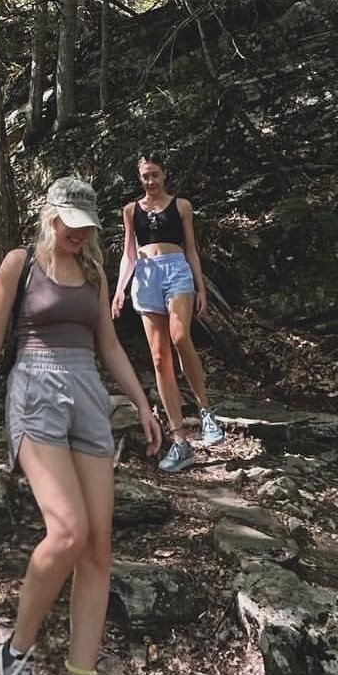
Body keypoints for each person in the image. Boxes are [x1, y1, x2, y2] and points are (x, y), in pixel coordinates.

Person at [0, 177, 162, 675]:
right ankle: (17, 654)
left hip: (88, 398)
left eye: (87, 224)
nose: (79, 233)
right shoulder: (20, 263)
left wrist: (145, 403)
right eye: (70, 221)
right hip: (35, 392)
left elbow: (109, 348)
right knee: (68, 530)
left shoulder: (97, 274)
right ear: (50, 215)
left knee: (99, 549)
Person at [111, 154, 224, 473]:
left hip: (176, 271)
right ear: (140, 177)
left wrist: (201, 287)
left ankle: (205, 411)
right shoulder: (131, 210)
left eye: (155, 175)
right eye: (145, 176)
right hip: (145, 276)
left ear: (165, 175)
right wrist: (119, 289)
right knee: (159, 358)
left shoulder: (182, 206)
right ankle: (180, 440)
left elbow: (191, 248)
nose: (150, 181)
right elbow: (128, 253)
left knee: (180, 337)